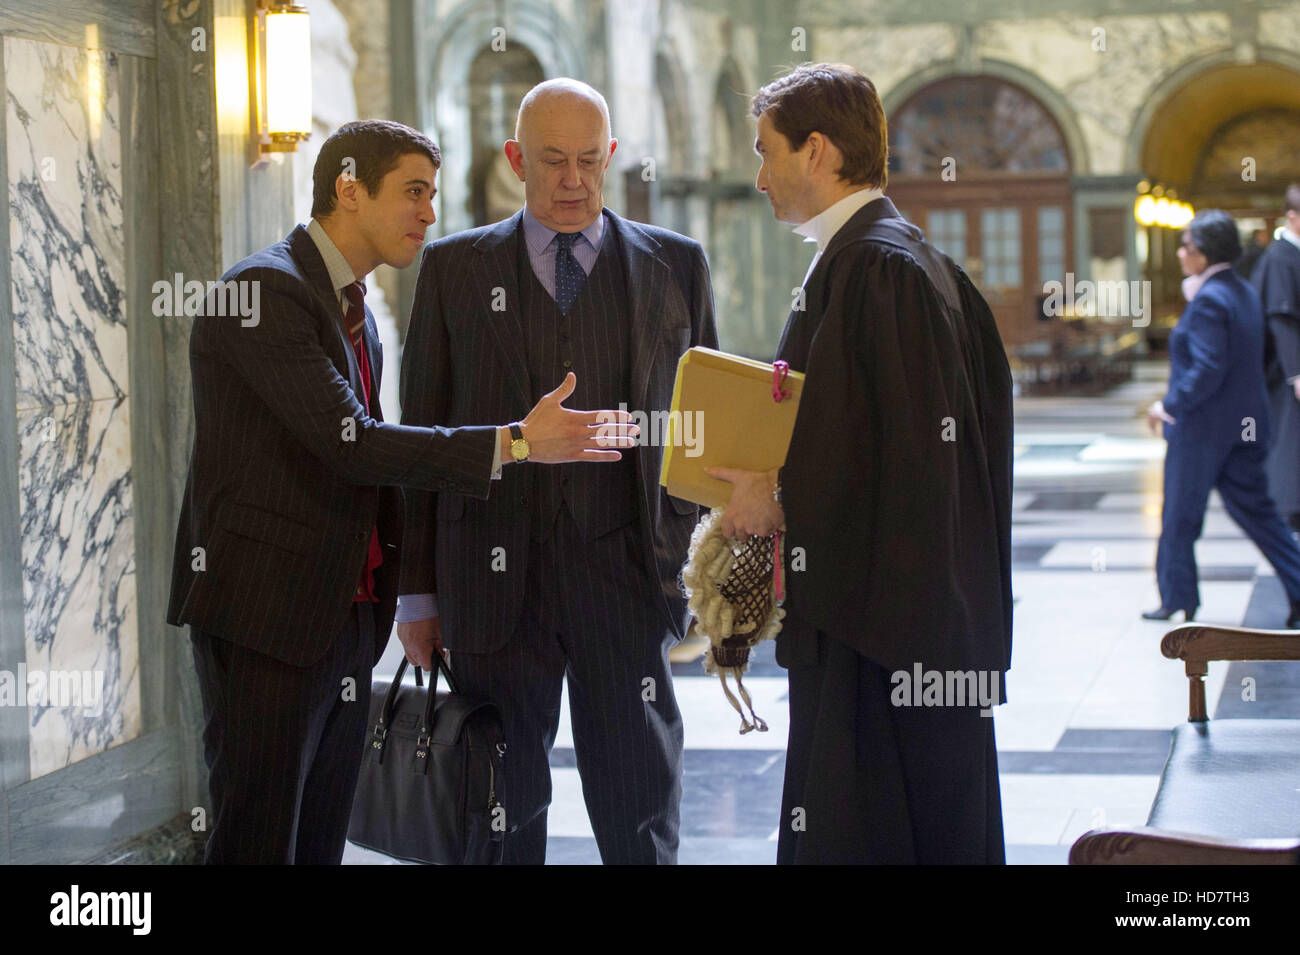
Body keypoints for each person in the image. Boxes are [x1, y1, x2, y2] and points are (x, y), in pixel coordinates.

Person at [166, 120, 637, 864]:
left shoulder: (356, 310)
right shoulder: (261, 292)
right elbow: (351, 441)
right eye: (413, 193)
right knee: (259, 839)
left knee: (320, 839)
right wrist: (516, 441)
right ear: (348, 189)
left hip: (346, 619)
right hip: (268, 617)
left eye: (433, 194)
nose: (429, 213)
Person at [396, 79, 718, 865]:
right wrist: (418, 591)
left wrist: (701, 557)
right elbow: (420, 442)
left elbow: (703, 425)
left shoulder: (677, 264)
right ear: (515, 160)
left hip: (629, 573)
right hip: (491, 579)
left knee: (640, 800)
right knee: (499, 807)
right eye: (552, 162)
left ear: (610, 156)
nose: (573, 181)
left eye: (588, 160)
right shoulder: (451, 270)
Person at [709, 63, 1014, 864]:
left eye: (765, 150)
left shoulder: (877, 268)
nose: (759, 174)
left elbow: (904, 462)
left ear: (816, 151)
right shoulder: (896, 258)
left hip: (885, 636)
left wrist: (767, 490)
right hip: (901, 622)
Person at [1144, 209, 1300, 628]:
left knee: (1179, 516)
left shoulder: (1210, 299)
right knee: (1259, 515)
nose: (1180, 253)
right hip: (1246, 425)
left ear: (1203, 253)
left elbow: (1208, 368)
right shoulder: (1243, 291)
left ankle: (1178, 599)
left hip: (1201, 431)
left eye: (1186, 246)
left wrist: (1169, 405)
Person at [1254, 185, 1300, 532]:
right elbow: (1281, 317)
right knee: (1290, 436)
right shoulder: (1282, 256)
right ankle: (1289, 506)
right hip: (1284, 369)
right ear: (1292, 217)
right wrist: (1296, 373)